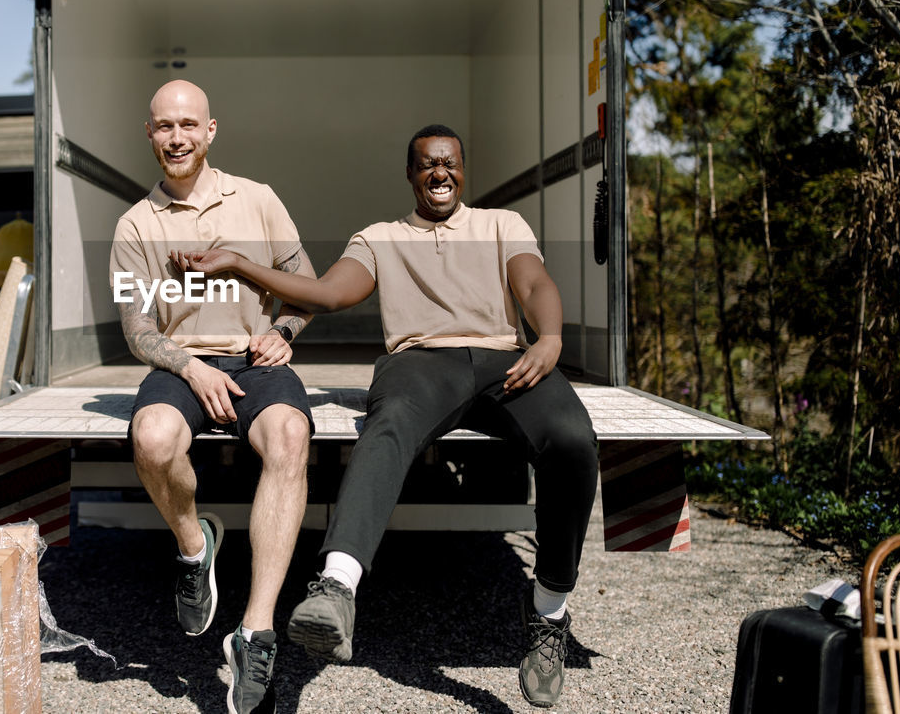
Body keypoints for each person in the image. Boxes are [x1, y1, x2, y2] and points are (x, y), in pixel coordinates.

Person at [175, 123, 599, 709]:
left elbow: (535, 282)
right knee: (389, 424)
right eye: (427, 164)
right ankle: (336, 589)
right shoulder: (378, 237)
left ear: (463, 169)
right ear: (410, 174)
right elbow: (326, 295)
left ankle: (549, 613)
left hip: (505, 359)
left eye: (449, 162)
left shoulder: (502, 224)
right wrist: (241, 265)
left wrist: (548, 337)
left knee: (574, 440)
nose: (440, 173)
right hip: (421, 361)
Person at [109, 80, 316, 714]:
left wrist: (283, 331)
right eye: (164, 126)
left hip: (255, 357)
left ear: (210, 130)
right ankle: (195, 548)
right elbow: (136, 327)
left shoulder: (257, 199)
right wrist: (191, 368)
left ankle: (255, 634)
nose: (177, 137)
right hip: (179, 364)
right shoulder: (133, 224)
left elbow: (304, 280)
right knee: (151, 437)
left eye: (188, 125)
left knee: (289, 436)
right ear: (150, 134)